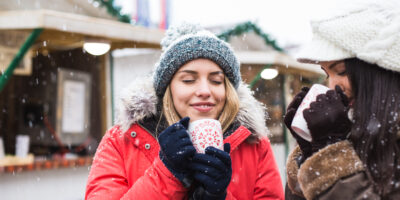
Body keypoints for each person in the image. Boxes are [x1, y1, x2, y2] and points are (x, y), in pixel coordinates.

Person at [85, 23, 284, 200]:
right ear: (167, 89)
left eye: (216, 81)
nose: (205, 91)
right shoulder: (122, 140)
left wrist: (219, 196)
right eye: (188, 80)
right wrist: (167, 173)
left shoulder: (254, 145)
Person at [284, 1, 400, 199]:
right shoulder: (352, 131)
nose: (333, 86)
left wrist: (331, 154)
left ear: (380, 73)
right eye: (327, 73)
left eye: (341, 71)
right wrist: (311, 153)